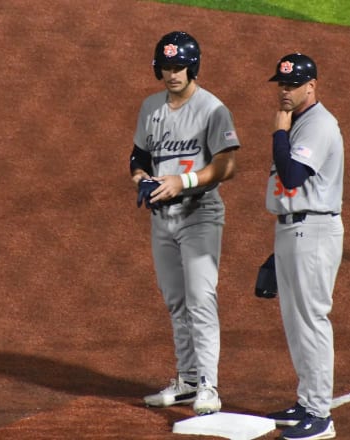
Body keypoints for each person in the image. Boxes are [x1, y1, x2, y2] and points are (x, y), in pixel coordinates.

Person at [129, 31, 240, 416]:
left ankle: (209, 384)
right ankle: (188, 380)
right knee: (177, 303)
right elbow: (138, 156)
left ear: (193, 67)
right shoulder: (151, 108)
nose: (172, 74)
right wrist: (141, 178)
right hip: (162, 219)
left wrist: (184, 181)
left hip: (200, 215)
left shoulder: (212, 109)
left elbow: (228, 164)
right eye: (165, 67)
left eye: (178, 67)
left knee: (200, 300)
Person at [263, 53, 344, 439]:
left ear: (311, 86)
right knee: (296, 324)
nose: (285, 91)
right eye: (281, 84)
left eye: (293, 85)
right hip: (293, 230)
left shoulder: (318, 125)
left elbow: (293, 176)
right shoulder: (300, 122)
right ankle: (307, 401)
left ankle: (320, 415)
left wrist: (279, 131)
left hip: (313, 230)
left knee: (311, 322)